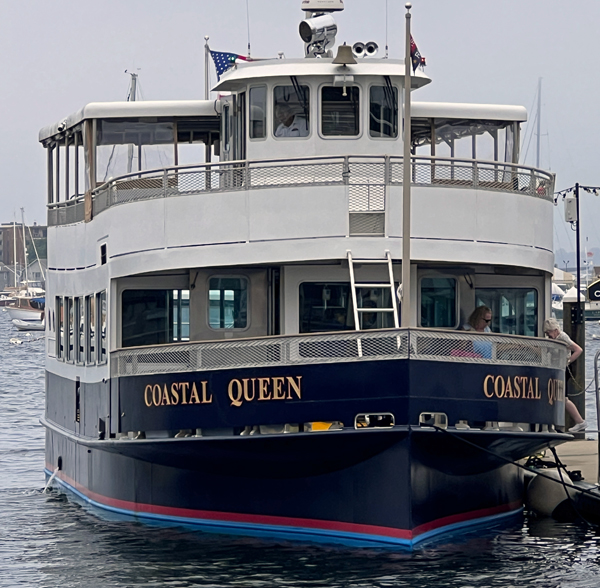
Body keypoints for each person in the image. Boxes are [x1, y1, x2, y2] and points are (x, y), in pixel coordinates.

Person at [543, 317, 587, 433]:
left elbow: (578, 349)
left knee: (563, 398)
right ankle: (553, 424)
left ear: (555, 330)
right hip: (556, 369)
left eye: (549, 332)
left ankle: (580, 421)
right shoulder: (555, 338)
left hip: (563, 369)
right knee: (556, 396)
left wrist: (567, 361)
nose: (548, 335)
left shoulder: (562, 337)